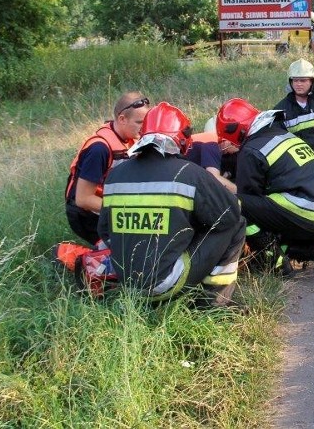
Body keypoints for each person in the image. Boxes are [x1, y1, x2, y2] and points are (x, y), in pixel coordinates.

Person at [98, 102, 246, 306]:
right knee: (237, 223)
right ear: (182, 138)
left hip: (129, 283)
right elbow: (229, 214)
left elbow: (105, 231)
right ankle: (214, 302)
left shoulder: (115, 175)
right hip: (167, 283)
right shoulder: (189, 173)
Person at [215, 98, 314, 275]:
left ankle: (275, 261)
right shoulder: (280, 133)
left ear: (235, 131)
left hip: (305, 210)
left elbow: (249, 198)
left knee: (235, 204)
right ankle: (313, 249)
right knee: (266, 208)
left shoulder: (251, 150)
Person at [65, 92, 150, 245]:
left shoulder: (130, 138)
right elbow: (83, 199)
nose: (144, 128)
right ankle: (71, 257)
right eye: (139, 122)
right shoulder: (99, 149)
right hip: (86, 215)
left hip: (108, 204)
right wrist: (127, 212)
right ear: (122, 119)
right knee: (120, 255)